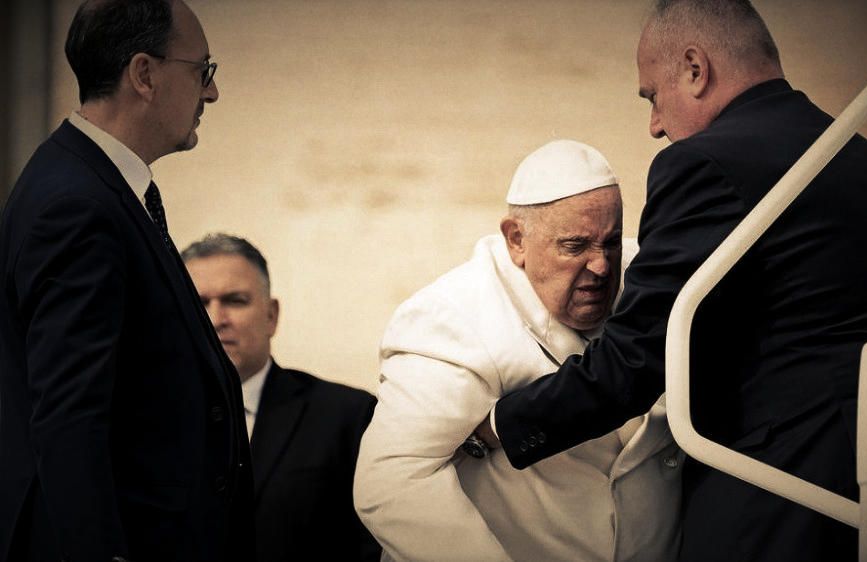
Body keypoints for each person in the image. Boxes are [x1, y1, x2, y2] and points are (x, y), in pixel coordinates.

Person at [478, 2, 867, 561]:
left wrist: (497, 427)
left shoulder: (707, 163)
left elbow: (638, 357)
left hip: (786, 490)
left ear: (695, 69)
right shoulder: (860, 157)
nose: (655, 125)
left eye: (653, 96)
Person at [0, 1, 253, 561]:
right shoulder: (77, 204)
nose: (211, 93)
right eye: (202, 70)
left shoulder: (94, 185)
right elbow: (70, 418)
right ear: (144, 74)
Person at [354, 140, 683, 562]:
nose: (602, 266)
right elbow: (393, 481)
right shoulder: (450, 318)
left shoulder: (649, 281)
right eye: (575, 246)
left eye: (611, 241)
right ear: (516, 239)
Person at [181, 233, 382, 562]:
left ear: (271, 315)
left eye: (235, 300)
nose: (216, 320)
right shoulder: (141, 424)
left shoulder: (346, 416)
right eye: (198, 303)